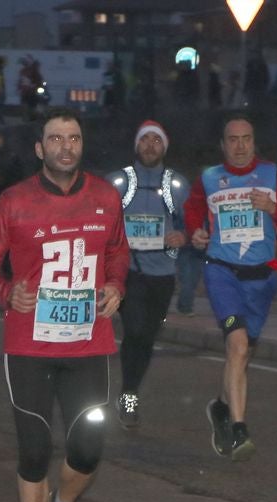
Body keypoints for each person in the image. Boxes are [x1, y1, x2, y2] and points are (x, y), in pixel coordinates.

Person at [0, 108, 128, 502]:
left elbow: (118, 251)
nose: (65, 146)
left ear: (82, 145)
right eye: (55, 139)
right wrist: (5, 293)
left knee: (88, 445)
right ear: (40, 149)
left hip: (89, 342)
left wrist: (117, 284)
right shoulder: (15, 201)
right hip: (29, 345)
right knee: (35, 449)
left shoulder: (105, 197)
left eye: (74, 138)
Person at [183, 112, 277, 461]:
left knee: (242, 354)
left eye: (245, 139)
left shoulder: (272, 175)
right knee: (236, 345)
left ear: (254, 142)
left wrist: (272, 207)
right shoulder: (209, 179)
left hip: (261, 278)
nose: (239, 146)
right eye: (232, 140)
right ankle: (238, 428)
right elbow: (192, 212)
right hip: (222, 272)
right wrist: (197, 232)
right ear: (223, 145)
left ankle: (221, 407)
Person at [105, 120, 189, 428]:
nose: (150, 145)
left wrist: (184, 236)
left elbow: (192, 222)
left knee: (146, 338)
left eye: (156, 140)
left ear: (164, 146)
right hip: (129, 271)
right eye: (145, 140)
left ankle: (131, 390)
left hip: (163, 274)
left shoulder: (176, 184)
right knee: (136, 332)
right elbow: (100, 219)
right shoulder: (118, 182)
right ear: (136, 145)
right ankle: (128, 397)